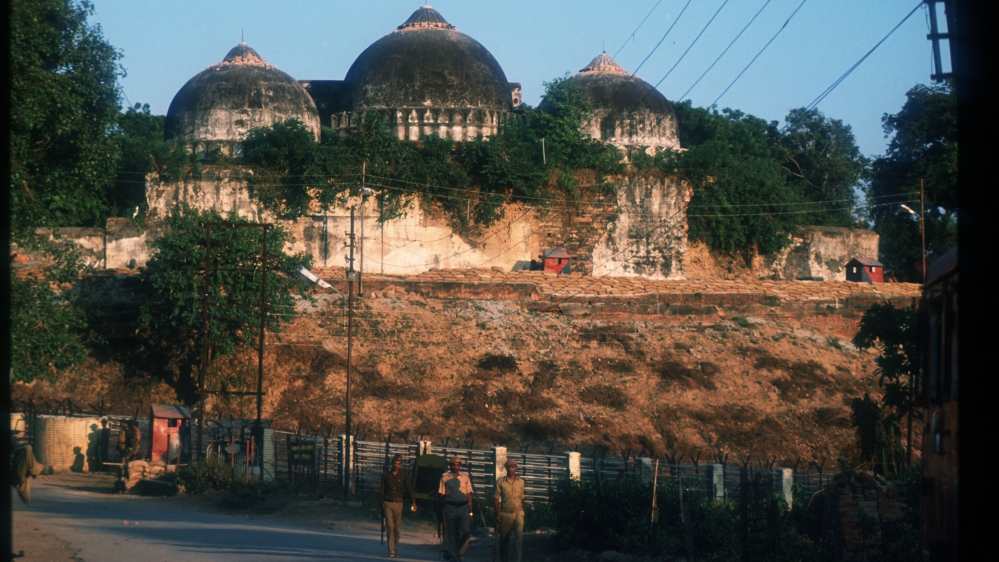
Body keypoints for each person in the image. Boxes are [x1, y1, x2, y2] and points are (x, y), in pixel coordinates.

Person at [379, 454, 417, 558]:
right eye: (395, 463)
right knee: (390, 526)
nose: (396, 465)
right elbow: (382, 491)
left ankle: (395, 548)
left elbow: (409, 489)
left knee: (397, 528)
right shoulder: (386, 475)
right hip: (388, 503)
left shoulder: (403, 475)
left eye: (398, 463)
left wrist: (413, 502)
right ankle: (391, 549)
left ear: (401, 465)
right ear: (392, 464)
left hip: (399, 503)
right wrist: (380, 505)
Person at [438, 456, 474, 562]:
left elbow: (469, 495)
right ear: (451, 466)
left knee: (465, 532)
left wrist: (471, 512)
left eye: (458, 465)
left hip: (463, 508)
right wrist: (440, 512)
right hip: (450, 507)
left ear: (460, 466)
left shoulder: (465, 477)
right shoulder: (445, 478)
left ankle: (457, 551)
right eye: (453, 465)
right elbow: (441, 496)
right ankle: (453, 557)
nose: (455, 467)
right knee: (452, 533)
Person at [493, 459, 527, 562]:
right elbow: (496, 498)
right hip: (505, 513)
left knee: (518, 539)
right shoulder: (500, 482)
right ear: (506, 469)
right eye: (508, 467)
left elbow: (522, 497)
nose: (510, 469)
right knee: (504, 540)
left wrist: (522, 509)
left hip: (518, 513)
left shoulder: (521, 482)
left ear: (516, 468)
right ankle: (504, 559)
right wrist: (497, 514)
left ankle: (517, 560)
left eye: (512, 467)